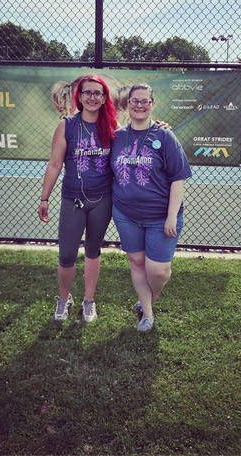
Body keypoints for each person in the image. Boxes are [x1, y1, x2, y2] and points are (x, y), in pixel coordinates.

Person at [110, 83, 192, 331]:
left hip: (160, 217)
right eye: (135, 101)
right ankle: (147, 313)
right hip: (126, 214)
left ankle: (150, 298)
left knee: (158, 271)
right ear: (127, 104)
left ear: (152, 104)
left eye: (145, 101)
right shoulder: (117, 137)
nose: (140, 105)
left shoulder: (165, 136)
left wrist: (170, 217)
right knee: (136, 262)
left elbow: (178, 178)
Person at [38, 74, 118, 323]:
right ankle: (64, 299)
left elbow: (140, 131)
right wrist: (44, 198)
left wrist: (159, 125)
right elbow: (54, 164)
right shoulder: (67, 125)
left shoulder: (113, 127)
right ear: (79, 96)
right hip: (72, 198)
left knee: (93, 251)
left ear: (105, 98)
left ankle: (89, 301)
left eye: (97, 93)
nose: (92, 97)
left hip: (102, 199)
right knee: (67, 255)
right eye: (87, 93)